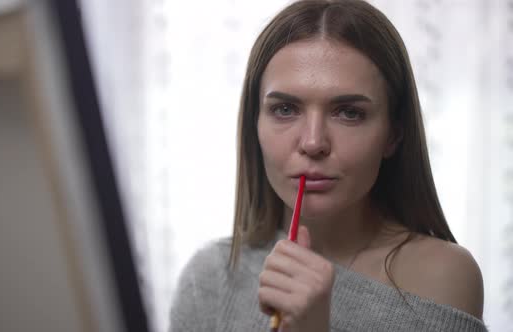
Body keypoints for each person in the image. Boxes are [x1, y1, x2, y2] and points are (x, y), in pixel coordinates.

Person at [168, 0, 487, 331]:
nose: (313, 142)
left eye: (348, 112)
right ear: (254, 126)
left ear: (393, 135)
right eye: (285, 109)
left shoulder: (444, 277)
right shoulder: (208, 278)